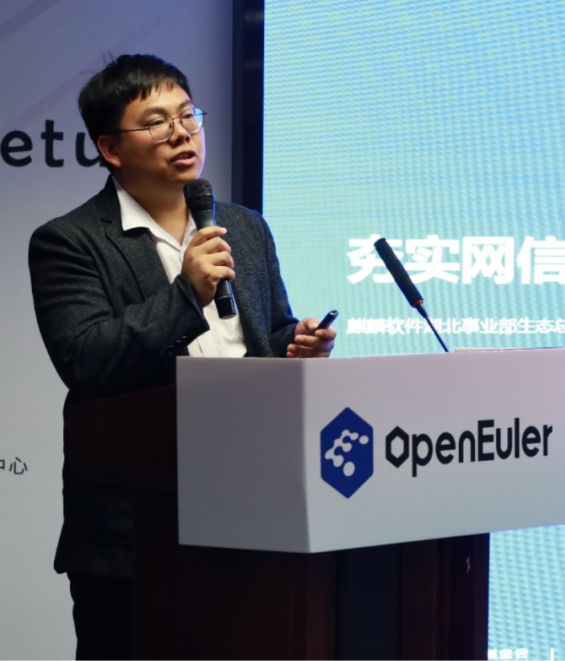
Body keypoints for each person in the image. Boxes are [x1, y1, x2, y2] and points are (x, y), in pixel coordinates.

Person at [28, 54, 336, 660]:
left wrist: (296, 347)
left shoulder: (244, 228)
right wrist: (186, 293)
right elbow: (85, 359)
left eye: (188, 115)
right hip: (138, 529)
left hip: (253, 504)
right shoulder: (69, 241)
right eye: (157, 122)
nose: (181, 133)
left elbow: (263, 335)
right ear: (111, 149)